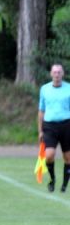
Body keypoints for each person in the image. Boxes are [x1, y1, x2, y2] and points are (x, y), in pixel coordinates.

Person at [38, 63, 70, 193]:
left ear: (63, 74)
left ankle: (64, 185)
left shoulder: (69, 88)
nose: (57, 75)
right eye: (55, 72)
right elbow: (41, 111)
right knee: (49, 155)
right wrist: (40, 130)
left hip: (66, 125)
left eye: (59, 72)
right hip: (50, 126)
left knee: (68, 158)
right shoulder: (44, 89)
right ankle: (52, 179)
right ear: (51, 74)